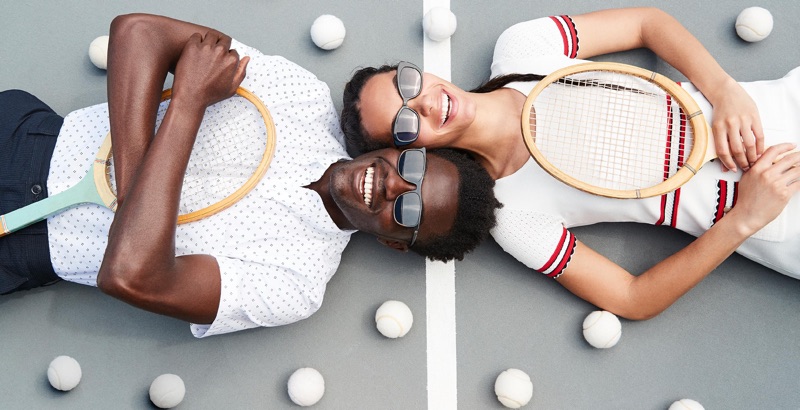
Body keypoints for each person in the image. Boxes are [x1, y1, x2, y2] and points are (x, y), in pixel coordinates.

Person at [0, 13, 500, 338]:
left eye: (408, 209)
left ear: (396, 243)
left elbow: (130, 275)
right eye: (414, 166)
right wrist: (135, 199)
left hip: (22, 247)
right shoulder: (300, 97)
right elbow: (138, 32)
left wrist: (191, 103)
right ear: (403, 146)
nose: (395, 184)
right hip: (24, 138)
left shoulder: (298, 284)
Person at [340, 7, 800, 320]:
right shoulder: (512, 217)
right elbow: (631, 298)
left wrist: (724, 90)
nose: (421, 102)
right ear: (410, 153)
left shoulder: (523, 47)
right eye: (403, 123)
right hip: (777, 218)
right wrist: (744, 221)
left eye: (407, 83)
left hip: (778, 109)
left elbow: (646, 23)